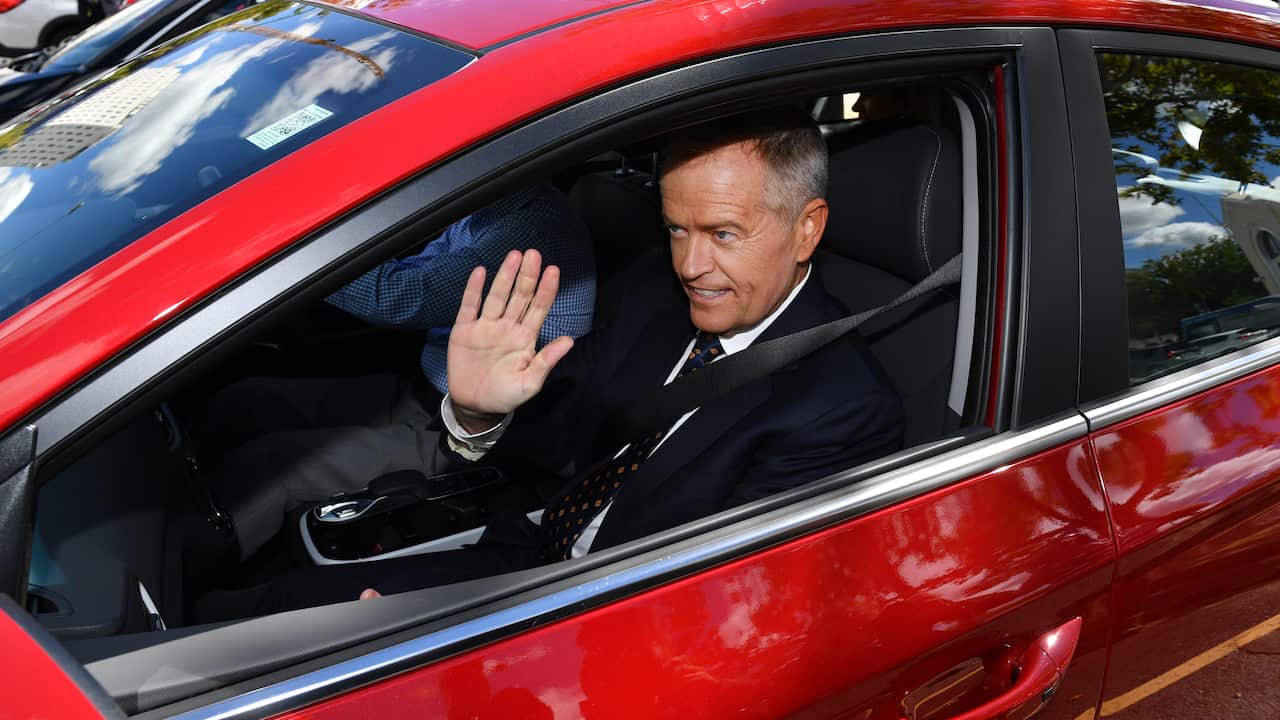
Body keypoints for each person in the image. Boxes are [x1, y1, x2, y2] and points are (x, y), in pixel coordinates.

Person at [215, 109, 904, 617]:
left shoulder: (840, 409)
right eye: (675, 229)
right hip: (523, 546)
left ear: (806, 227)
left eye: (723, 234)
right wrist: (478, 412)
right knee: (273, 607)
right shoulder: (649, 294)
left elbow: (723, 612)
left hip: (584, 617)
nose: (691, 267)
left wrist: (446, 642)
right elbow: (563, 443)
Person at [189, 183, 595, 562]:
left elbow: (402, 297)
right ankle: (180, 491)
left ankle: (191, 562)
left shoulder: (534, 227)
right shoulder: (490, 203)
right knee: (247, 402)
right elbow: (421, 268)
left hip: (475, 433)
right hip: (426, 392)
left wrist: (298, 250)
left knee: (269, 470)